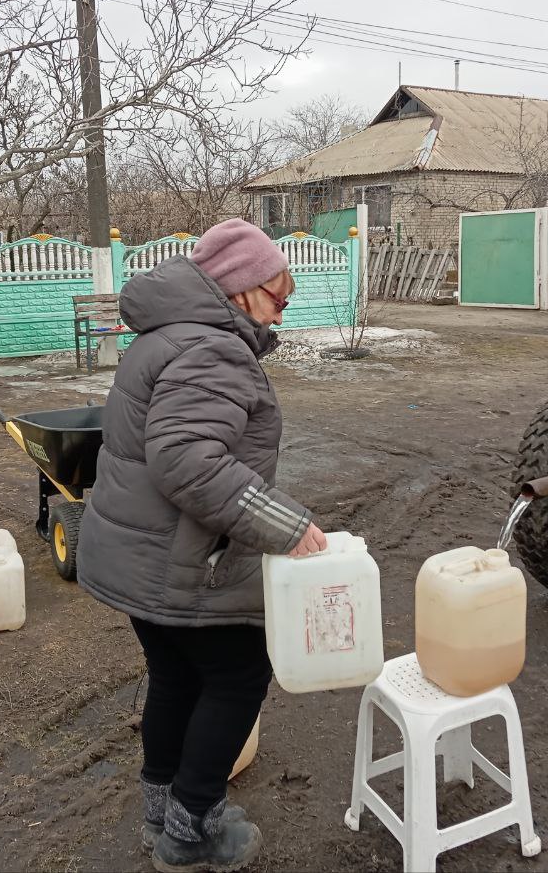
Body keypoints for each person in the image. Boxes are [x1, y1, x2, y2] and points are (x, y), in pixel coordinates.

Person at [78, 218, 327, 872]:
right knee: (240, 675)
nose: (287, 300)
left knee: (176, 674)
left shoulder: (169, 336)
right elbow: (187, 461)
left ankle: (163, 814)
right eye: (279, 288)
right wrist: (289, 526)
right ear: (241, 287)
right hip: (178, 562)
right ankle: (191, 834)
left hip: (142, 558)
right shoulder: (211, 349)